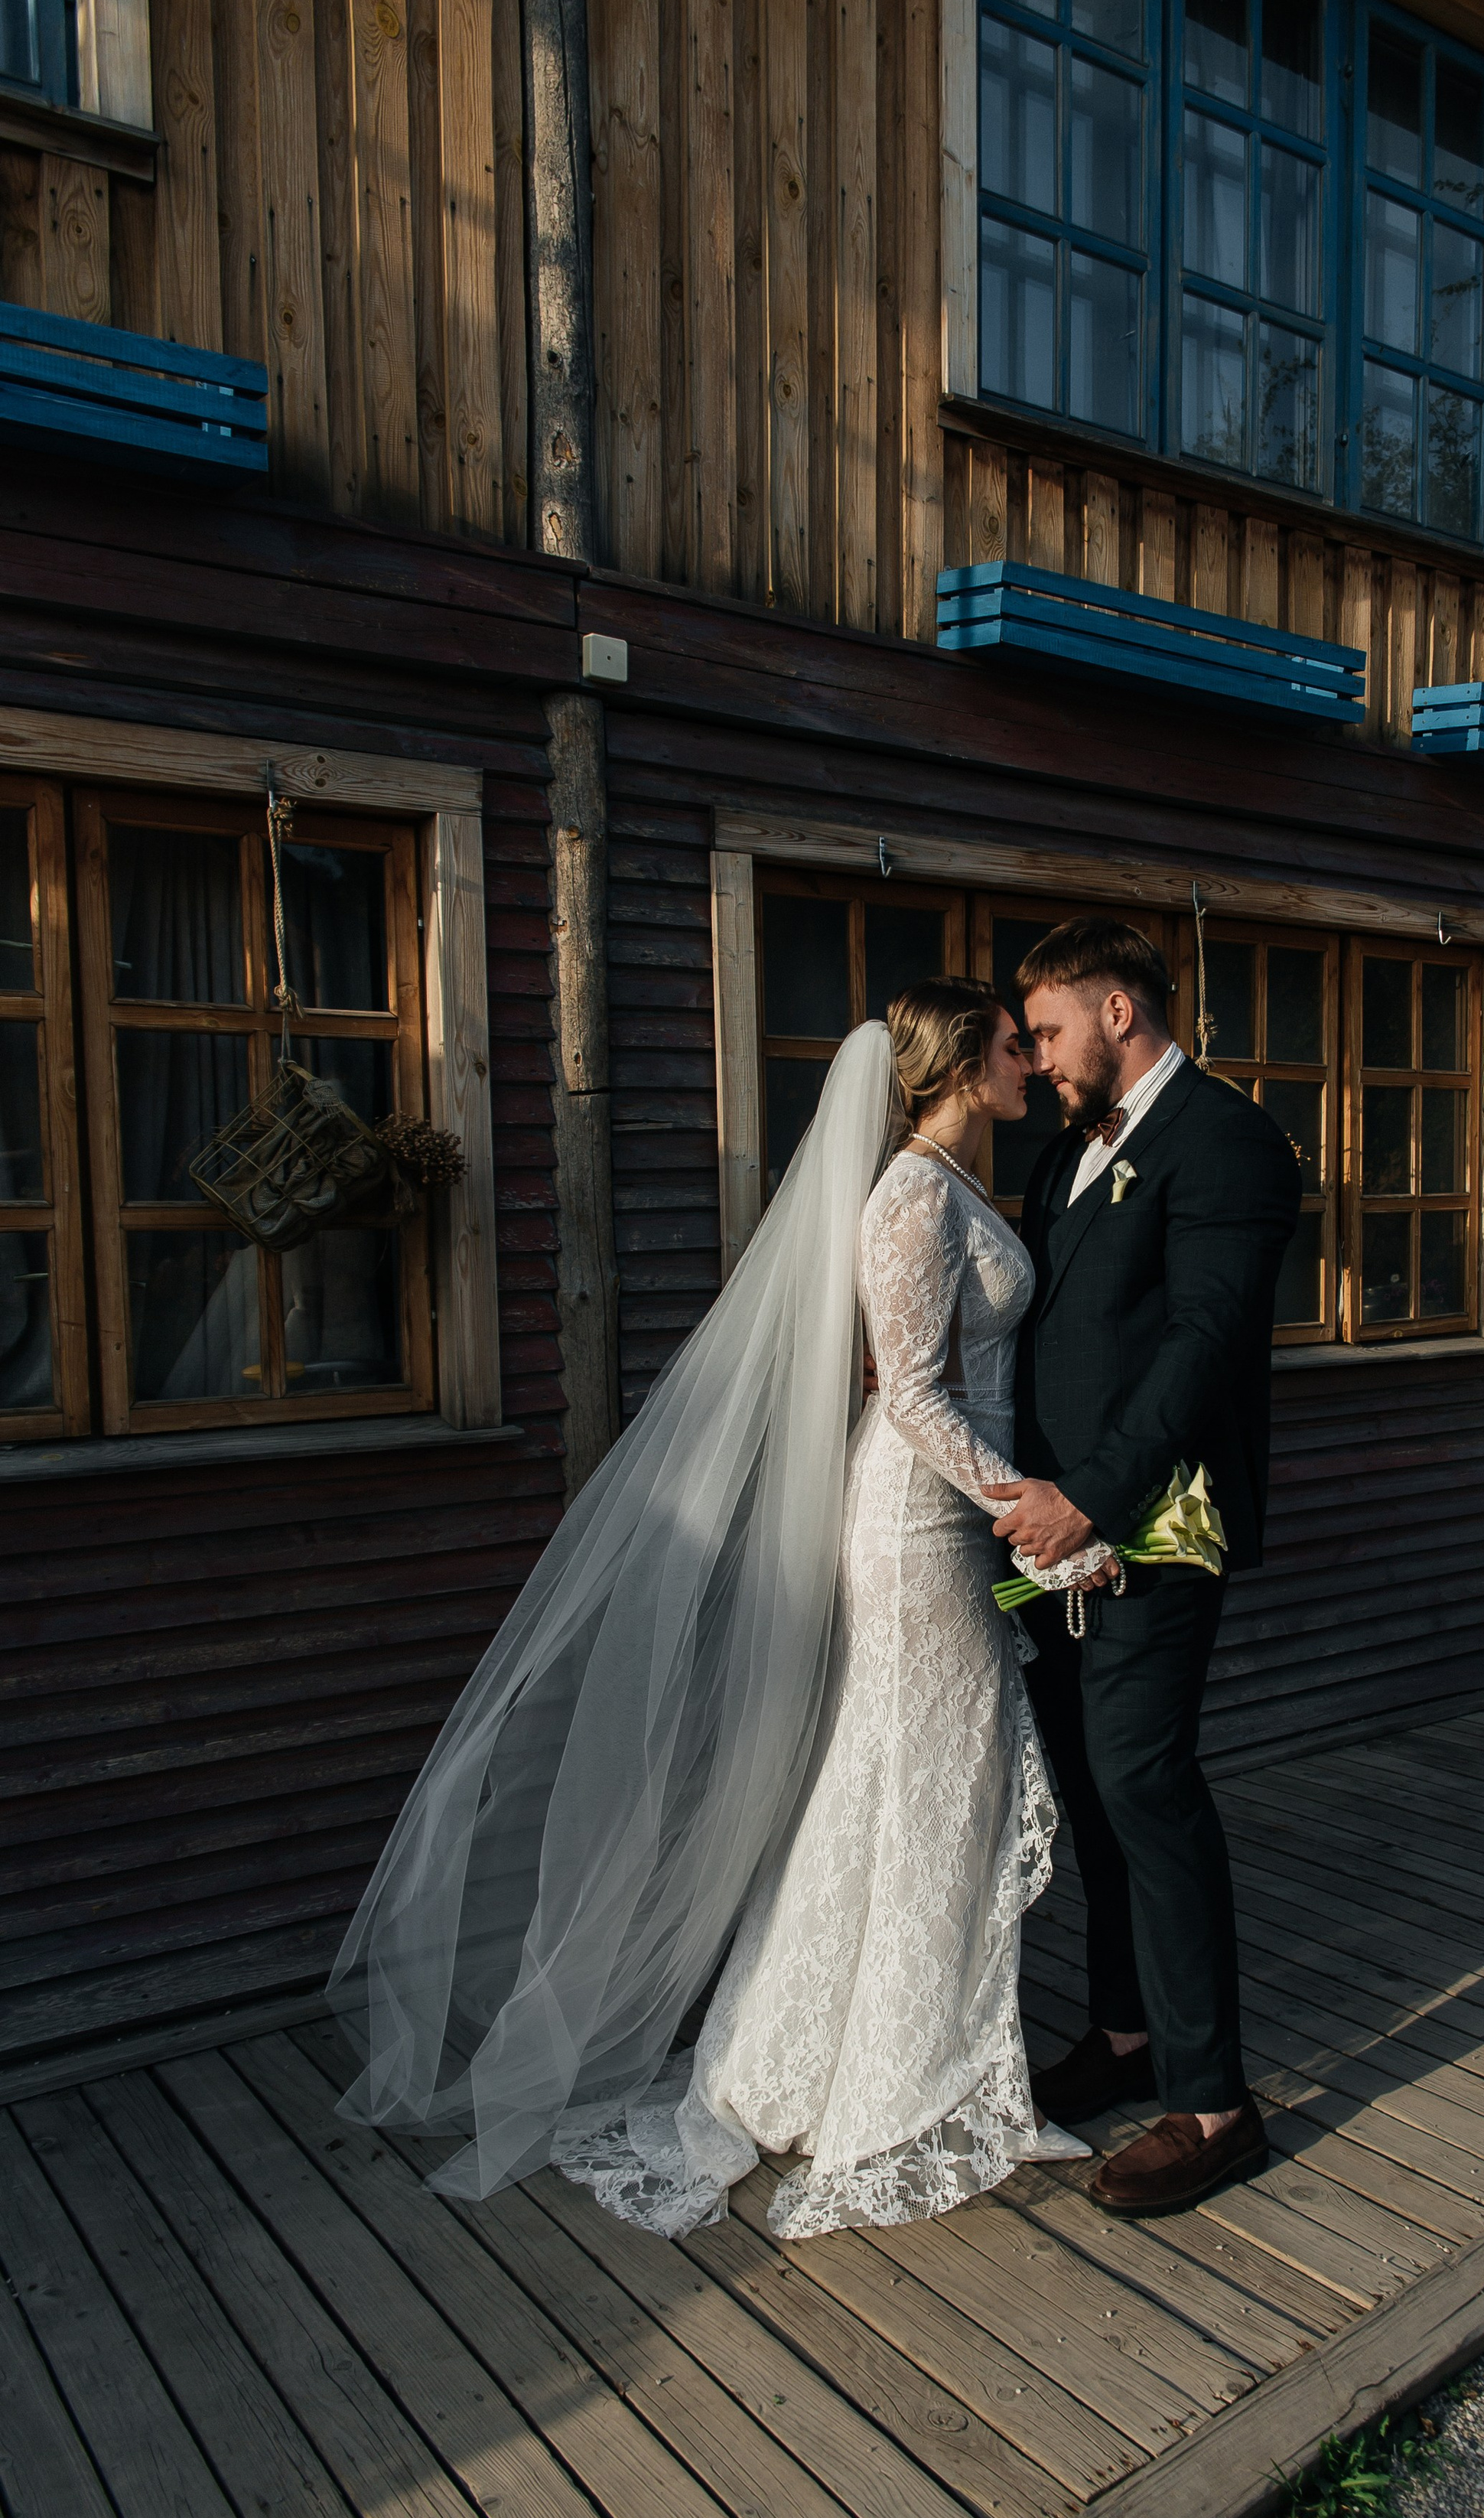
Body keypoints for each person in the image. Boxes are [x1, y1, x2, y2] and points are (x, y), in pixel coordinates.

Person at [329, 979, 1099, 2238]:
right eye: (1014, 1047)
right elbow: (907, 1395)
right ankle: (902, 2095)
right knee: (932, 1791)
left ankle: (908, 2069)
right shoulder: (909, 1195)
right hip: (919, 1528)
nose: (1031, 1062)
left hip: (959, 1526)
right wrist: (1032, 1511)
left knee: (913, 1793)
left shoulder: (957, 1188)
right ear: (960, 1065)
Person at [990, 917, 1301, 2221]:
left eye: (1049, 1031)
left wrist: (1093, 1503)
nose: (1039, 1059)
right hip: (1050, 1545)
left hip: (1162, 1529)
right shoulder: (1070, 1150)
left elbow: (1204, 1343)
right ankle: (1121, 2038)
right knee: (1085, 1782)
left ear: (1120, 1012)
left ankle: (1217, 2102)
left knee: (1144, 1780)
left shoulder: (1229, 1141)